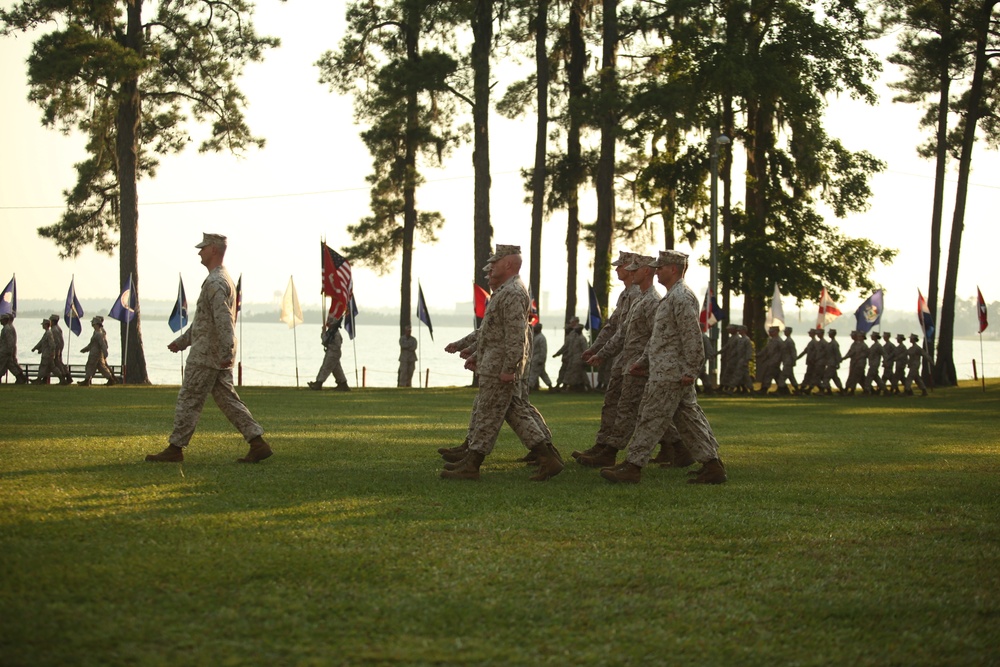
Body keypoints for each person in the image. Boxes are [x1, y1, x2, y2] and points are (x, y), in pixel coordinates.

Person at [601, 249, 726, 485]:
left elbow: (692, 337)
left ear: (674, 269)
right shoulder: (671, 297)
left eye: (661, 267)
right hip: (665, 369)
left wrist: (691, 369)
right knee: (689, 419)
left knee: (650, 416)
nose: (656, 271)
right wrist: (643, 361)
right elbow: (660, 338)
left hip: (671, 372)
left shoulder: (681, 297)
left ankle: (633, 466)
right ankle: (712, 465)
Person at [145, 233, 271, 464]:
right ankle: (257, 442)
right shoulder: (222, 279)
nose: (199, 252)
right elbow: (205, 321)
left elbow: (223, 320)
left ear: (213, 249)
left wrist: (225, 349)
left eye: (203, 248)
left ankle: (175, 448)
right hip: (215, 352)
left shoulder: (215, 281)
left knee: (189, 398)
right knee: (228, 401)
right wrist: (182, 341)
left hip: (207, 354)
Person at [440, 244, 562, 482]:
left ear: (508, 264)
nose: (491, 266)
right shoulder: (506, 291)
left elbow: (516, 335)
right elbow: (491, 333)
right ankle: (547, 458)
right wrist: (473, 352)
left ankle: (473, 464)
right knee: (510, 412)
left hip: (499, 369)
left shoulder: (514, 293)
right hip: (493, 365)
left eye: (495, 262)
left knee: (491, 414)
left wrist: (509, 368)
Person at [573, 250, 639, 459]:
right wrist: (595, 348)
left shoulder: (638, 294)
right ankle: (603, 445)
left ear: (631, 268)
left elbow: (624, 331)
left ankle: (608, 450)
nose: (617, 269)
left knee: (634, 405)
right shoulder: (625, 294)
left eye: (621, 266)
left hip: (635, 358)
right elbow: (612, 326)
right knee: (618, 401)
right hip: (624, 356)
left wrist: (602, 353)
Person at [308, 313, 350, 391]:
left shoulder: (334, 333)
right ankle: (343, 384)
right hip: (333, 352)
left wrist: (323, 332)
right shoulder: (332, 332)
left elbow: (325, 341)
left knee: (325, 368)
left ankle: (319, 383)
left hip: (333, 353)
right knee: (336, 369)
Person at [78, 315, 117, 386]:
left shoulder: (99, 334)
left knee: (90, 366)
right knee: (101, 367)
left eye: (93, 323)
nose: (92, 325)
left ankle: (87, 380)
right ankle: (110, 379)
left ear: (97, 324)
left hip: (95, 353)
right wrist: (86, 349)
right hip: (96, 353)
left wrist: (105, 353)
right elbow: (92, 344)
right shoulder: (96, 333)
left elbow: (103, 344)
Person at [553, 318, 588, 391]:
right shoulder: (572, 336)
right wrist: (558, 354)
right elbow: (566, 346)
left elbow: (585, 350)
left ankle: (566, 386)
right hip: (571, 357)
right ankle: (576, 386)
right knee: (579, 373)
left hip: (578, 358)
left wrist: (585, 359)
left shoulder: (581, 338)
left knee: (571, 372)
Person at [755, 325, 784, 395]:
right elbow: (766, 350)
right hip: (770, 360)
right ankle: (783, 389)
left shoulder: (779, 341)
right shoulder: (770, 340)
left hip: (775, 361)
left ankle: (764, 389)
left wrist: (779, 360)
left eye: (772, 332)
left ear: (777, 332)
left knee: (768, 375)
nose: (770, 333)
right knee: (777, 376)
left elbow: (782, 352)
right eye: (769, 332)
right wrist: (758, 355)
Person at [0, 313, 29, 384]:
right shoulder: (7, 328)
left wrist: (9, 351)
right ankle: (21, 377)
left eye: (1, 320)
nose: (0, 321)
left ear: (4, 320)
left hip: (5, 351)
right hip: (6, 351)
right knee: (10, 366)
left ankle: (21, 378)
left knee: (2, 365)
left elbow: (9, 341)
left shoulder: (7, 329)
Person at [48, 314, 72, 385]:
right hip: (59, 348)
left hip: (56, 349)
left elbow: (56, 341)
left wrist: (54, 351)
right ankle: (67, 376)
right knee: (60, 363)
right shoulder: (58, 328)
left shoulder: (54, 329)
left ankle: (64, 377)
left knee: (57, 363)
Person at [527, 322, 552, 392]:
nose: (534, 329)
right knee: (542, 374)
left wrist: (541, 359)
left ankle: (529, 388)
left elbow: (543, 350)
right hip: (534, 357)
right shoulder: (535, 336)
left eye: (536, 328)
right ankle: (550, 385)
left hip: (538, 358)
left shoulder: (541, 338)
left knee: (533, 373)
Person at [842, 330, 868, 395]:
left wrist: (857, 358)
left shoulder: (864, 346)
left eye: (860, 336)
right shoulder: (855, 344)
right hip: (854, 363)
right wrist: (843, 358)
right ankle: (867, 389)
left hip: (860, 364)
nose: (858, 337)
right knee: (860, 378)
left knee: (855, 377)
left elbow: (865, 354)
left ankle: (851, 390)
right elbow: (850, 353)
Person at [30, 318, 55, 384]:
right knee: (51, 368)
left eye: (43, 324)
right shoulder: (46, 333)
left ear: (46, 325)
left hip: (47, 354)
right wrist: (36, 348)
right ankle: (61, 378)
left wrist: (51, 353)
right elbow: (42, 343)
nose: (42, 326)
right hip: (46, 354)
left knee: (43, 367)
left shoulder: (49, 333)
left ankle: (38, 379)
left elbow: (51, 345)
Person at [821, 328, 844, 395]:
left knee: (826, 377)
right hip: (830, 363)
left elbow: (837, 354)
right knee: (835, 378)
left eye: (830, 333)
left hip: (832, 363)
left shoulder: (834, 344)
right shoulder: (830, 343)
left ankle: (824, 391)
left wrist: (838, 363)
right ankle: (841, 390)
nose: (829, 335)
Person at [777, 327, 799, 395]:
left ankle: (782, 391)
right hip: (786, 361)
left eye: (786, 331)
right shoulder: (786, 340)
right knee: (791, 377)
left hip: (788, 362)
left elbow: (793, 352)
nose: (784, 332)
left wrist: (793, 361)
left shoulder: (789, 341)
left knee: (782, 377)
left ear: (789, 332)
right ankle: (798, 390)